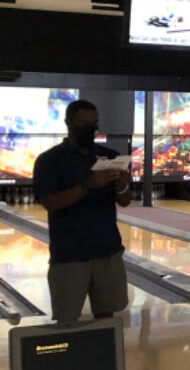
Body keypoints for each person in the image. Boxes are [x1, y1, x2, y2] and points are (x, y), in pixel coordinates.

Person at [32, 99, 132, 323]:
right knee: (67, 320)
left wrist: (121, 184)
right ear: (68, 123)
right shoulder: (49, 161)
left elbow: (124, 201)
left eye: (94, 123)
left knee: (107, 318)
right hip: (69, 255)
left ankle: (105, 357)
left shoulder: (111, 156)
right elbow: (50, 203)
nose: (91, 128)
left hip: (108, 251)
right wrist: (87, 185)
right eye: (84, 123)